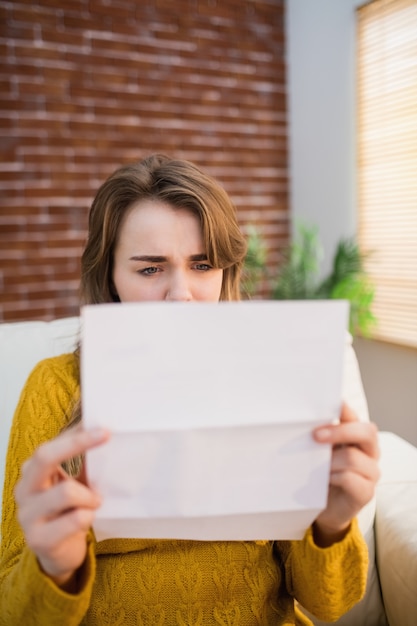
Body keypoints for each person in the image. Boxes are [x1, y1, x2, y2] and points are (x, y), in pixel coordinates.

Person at [0, 154, 380, 625]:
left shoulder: (271, 378)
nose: (182, 294)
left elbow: (331, 603)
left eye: (202, 265)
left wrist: (332, 524)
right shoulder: (56, 387)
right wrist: (54, 567)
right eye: (150, 269)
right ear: (110, 279)